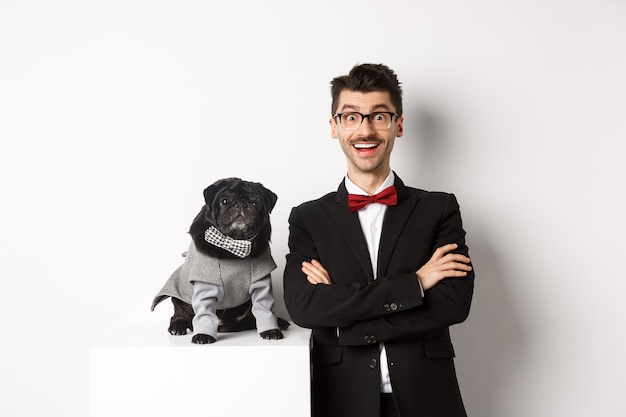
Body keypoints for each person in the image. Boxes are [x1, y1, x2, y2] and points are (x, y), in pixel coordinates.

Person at [283, 63, 475, 417]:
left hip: (429, 399)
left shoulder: (439, 208)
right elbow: (305, 307)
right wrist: (415, 285)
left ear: (398, 125)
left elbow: (453, 303)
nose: (365, 129)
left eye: (379, 116)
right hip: (342, 400)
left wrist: (346, 320)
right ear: (334, 127)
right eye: (351, 117)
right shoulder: (308, 218)